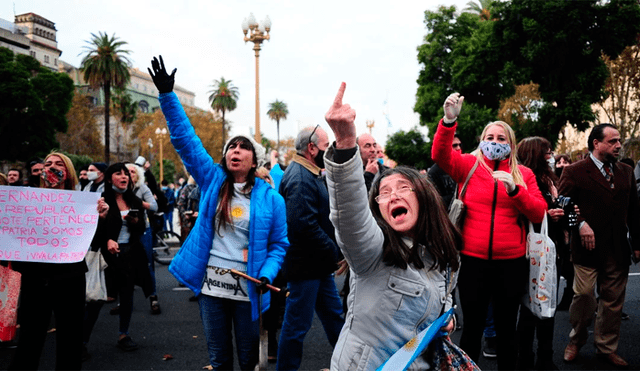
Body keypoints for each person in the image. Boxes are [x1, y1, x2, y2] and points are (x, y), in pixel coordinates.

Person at [149, 55, 289, 370]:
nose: (234, 150)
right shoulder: (212, 180)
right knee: (220, 359)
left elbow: (279, 245)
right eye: (231, 147)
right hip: (212, 287)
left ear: (255, 160)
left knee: (249, 360)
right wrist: (167, 96)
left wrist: (266, 273)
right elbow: (186, 142)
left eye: (243, 147)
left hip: (249, 288)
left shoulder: (272, 200)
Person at [324, 83, 462, 370]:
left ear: (424, 198)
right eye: (384, 193)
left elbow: (441, 303)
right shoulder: (372, 252)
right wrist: (346, 142)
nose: (393, 195)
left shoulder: (447, 257)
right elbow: (349, 214)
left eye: (403, 188)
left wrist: (446, 320)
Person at [431, 93, 547, 370]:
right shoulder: (468, 166)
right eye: (490, 138)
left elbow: (538, 212)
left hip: (511, 263)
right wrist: (449, 121)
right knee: (471, 329)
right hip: (472, 261)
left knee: (508, 330)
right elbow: (439, 154)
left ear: (511, 144)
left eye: (501, 139)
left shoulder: (524, 174)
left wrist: (515, 190)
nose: (495, 143)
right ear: (482, 141)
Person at [9, 152, 109, 370]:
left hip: (69, 277)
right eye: (48, 164)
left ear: (68, 172)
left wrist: (99, 219)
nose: (52, 167)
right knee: (29, 340)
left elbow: (93, 242)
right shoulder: (27, 200)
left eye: (58, 164)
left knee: (70, 339)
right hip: (35, 278)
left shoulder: (83, 203)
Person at [560, 124, 640, 368]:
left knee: (613, 301)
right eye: (613, 141)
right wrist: (580, 223)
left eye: (619, 141)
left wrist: (637, 243)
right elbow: (562, 207)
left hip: (618, 249)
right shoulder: (574, 171)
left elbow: (635, 212)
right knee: (584, 296)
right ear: (596, 143)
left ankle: (606, 348)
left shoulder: (626, 171)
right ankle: (576, 339)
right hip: (586, 249)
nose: (618, 145)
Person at [276, 124, 345, 371]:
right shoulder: (299, 177)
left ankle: (349, 364)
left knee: (335, 319)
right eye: (327, 147)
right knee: (296, 328)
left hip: (315, 265)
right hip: (305, 267)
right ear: (312, 148)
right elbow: (302, 225)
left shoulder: (307, 172)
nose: (330, 152)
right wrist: (334, 251)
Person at [516, 136, 567, 370]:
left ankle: (545, 355)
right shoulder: (526, 179)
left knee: (547, 303)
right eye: (547, 152)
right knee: (530, 307)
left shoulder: (549, 179)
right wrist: (548, 214)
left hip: (549, 249)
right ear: (536, 154)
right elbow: (526, 211)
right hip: (531, 251)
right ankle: (528, 357)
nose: (552, 155)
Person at [97, 163, 153, 352]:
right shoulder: (101, 200)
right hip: (106, 256)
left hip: (129, 254)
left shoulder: (135, 201)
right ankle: (83, 342)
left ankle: (124, 334)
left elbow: (141, 229)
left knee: (127, 295)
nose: (124, 177)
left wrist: (134, 221)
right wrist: (106, 236)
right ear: (109, 178)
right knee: (98, 299)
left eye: (127, 174)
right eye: (118, 173)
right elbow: (92, 232)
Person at [126, 162, 161, 315]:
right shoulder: (116, 190)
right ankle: (124, 301)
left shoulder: (142, 188)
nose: (128, 174)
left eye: (132, 171)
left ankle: (153, 298)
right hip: (124, 231)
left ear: (138, 175)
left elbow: (154, 207)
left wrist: (138, 203)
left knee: (147, 264)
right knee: (125, 267)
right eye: (125, 172)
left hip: (142, 230)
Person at [428, 133, 463, 210]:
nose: (458, 148)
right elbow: (433, 201)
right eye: (454, 145)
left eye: (460, 145)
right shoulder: (434, 172)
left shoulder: (464, 165)